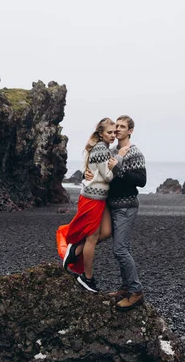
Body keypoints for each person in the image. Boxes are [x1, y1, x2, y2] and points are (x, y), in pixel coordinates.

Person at [85, 115, 147, 311]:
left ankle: (136, 292)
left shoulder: (134, 152)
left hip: (126, 206)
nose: (118, 129)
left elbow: (141, 180)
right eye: (116, 126)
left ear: (130, 131)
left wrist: (118, 167)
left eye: (122, 127)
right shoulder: (111, 151)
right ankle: (126, 288)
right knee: (123, 248)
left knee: (120, 250)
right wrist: (88, 175)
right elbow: (103, 175)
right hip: (111, 206)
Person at [56, 117, 118, 293]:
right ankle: (87, 278)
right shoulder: (101, 149)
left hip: (99, 198)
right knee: (92, 237)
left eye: (114, 132)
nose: (113, 135)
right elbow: (107, 176)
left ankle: (75, 250)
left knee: (106, 232)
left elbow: (100, 173)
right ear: (101, 133)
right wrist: (116, 166)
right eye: (109, 132)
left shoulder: (103, 148)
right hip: (92, 198)